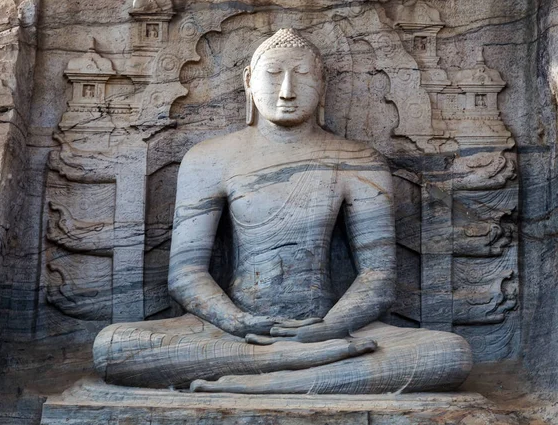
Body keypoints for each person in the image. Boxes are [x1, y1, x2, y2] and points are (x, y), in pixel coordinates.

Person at [93, 28, 472, 394]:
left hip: (332, 329)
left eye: (303, 77)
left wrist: (328, 328)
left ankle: (274, 377)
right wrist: (237, 321)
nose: (287, 91)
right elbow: (186, 274)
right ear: (248, 82)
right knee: (112, 347)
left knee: (449, 354)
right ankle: (303, 366)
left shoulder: (358, 160)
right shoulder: (209, 158)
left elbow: (378, 277)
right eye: (273, 76)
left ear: (323, 85)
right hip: (230, 332)